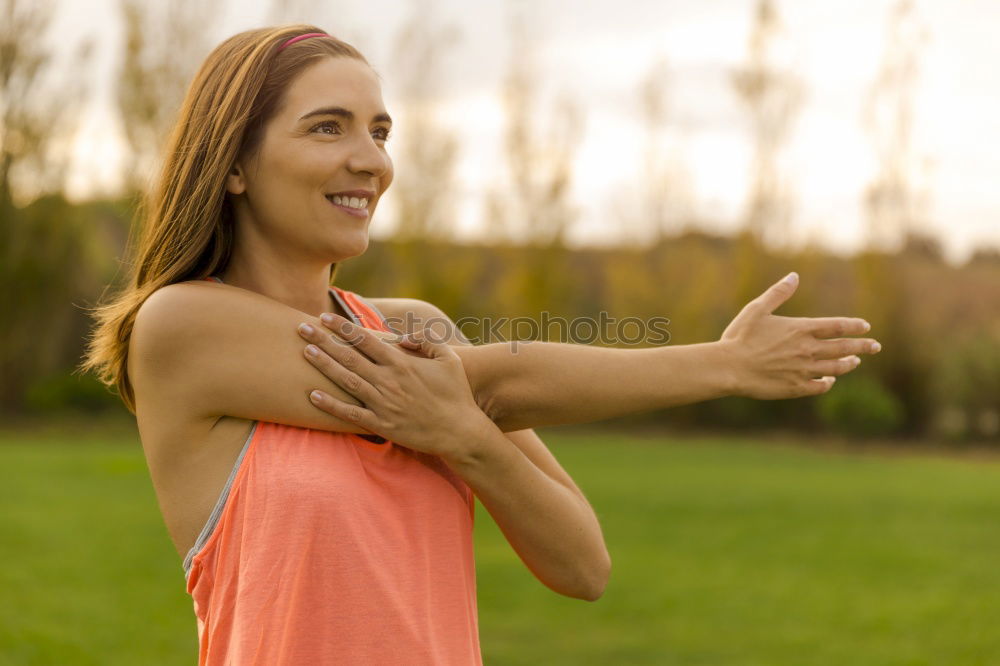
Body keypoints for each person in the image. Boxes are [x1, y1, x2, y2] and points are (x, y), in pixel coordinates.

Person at [81, 25, 881, 665]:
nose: (372, 160)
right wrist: (723, 364)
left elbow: (583, 567)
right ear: (235, 166)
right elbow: (490, 382)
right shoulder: (180, 326)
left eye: (380, 130)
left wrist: (467, 441)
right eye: (328, 128)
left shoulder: (415, 324)